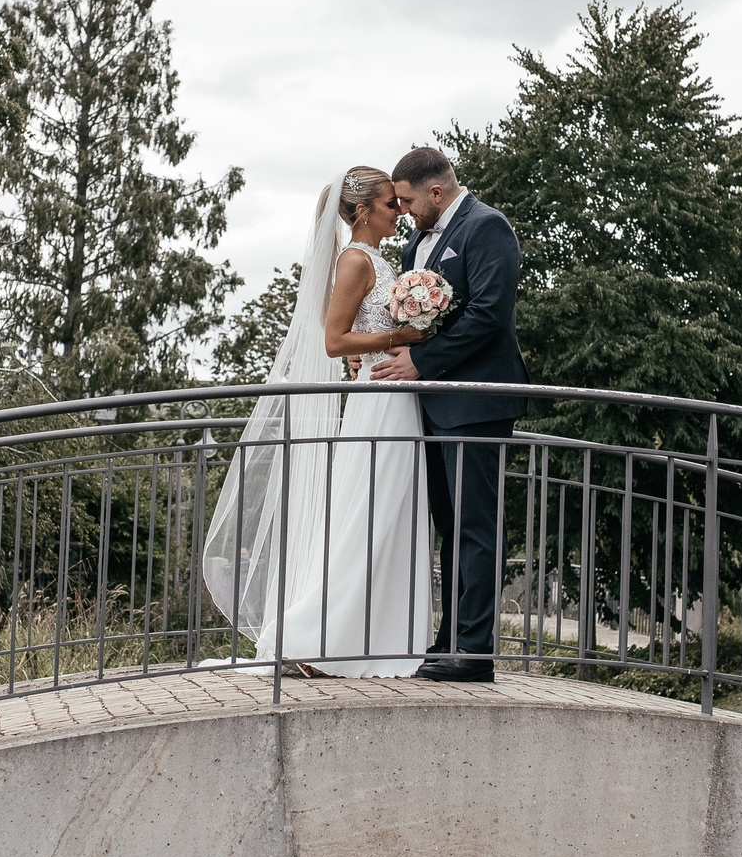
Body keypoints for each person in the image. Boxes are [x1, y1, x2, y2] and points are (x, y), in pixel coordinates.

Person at [199, 167, 434, 677]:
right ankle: (317, 637)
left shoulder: (381, 259)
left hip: (397, 397)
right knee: (366, 514)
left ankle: (377, 638)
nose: (399, 211)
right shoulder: (354, 260)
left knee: (390, 513)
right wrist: (402, 340)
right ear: (362, 211)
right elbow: (335, 340)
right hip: (379, 398)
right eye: (390, 204)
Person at [368, 146, 529, 682]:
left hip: (476, 400)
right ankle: (447, 638)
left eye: (409, 201)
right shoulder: (420, 240)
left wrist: (420, 360)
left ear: (435, 191)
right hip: (432, 406)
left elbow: (488, 314)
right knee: (447, 525)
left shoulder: (489, 228)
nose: (405, 211)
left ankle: (475, 652)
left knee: (476, 527)